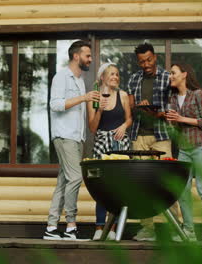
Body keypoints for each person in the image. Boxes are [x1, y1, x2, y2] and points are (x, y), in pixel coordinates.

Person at [43, 40, 100, 241]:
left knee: (64, 181)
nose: (90, 59)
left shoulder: (80, 80)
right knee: (76, 178)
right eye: (87, 55)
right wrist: (83, 98)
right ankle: (71, 226)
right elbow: (55, 105)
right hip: (64, 135)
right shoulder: (61, 77)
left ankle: (51, 227)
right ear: (76, 56)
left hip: (77, 138)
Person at [127, 43, 180, 242]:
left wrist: (159, 112)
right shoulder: (134, 79)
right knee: (142, 183)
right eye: (142, 61)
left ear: (155, 57)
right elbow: (130, 108)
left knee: (167, 181)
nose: (146, 64)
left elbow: (174, 106)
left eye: (149, 60)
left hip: (161, 136)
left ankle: (175, 228)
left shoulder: (167, 77)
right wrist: (138, 107)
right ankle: (147, 229)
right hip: (138, 136)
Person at [165, 63, 202, 242]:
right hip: (184, 149)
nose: (170, 76)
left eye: (173, 73)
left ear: (184, 75)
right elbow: (176, 125)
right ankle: (189, 231)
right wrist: (171, 121)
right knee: (182, 190)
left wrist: (181, 118)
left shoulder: (199, 95)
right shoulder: (173, 98)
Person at [87, 63, 132, 240]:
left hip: (120, 144)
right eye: (111, 74)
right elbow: (92, 127)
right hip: (101, 144)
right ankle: (99, 228)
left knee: (119, 188)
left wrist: (123, 125)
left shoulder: (123, 96)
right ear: (102, 78)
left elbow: (129, 119)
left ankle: (113, 229)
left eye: (117, 74)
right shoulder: (94, 98)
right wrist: (99, 109)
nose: (115, 77)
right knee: (102, 187)